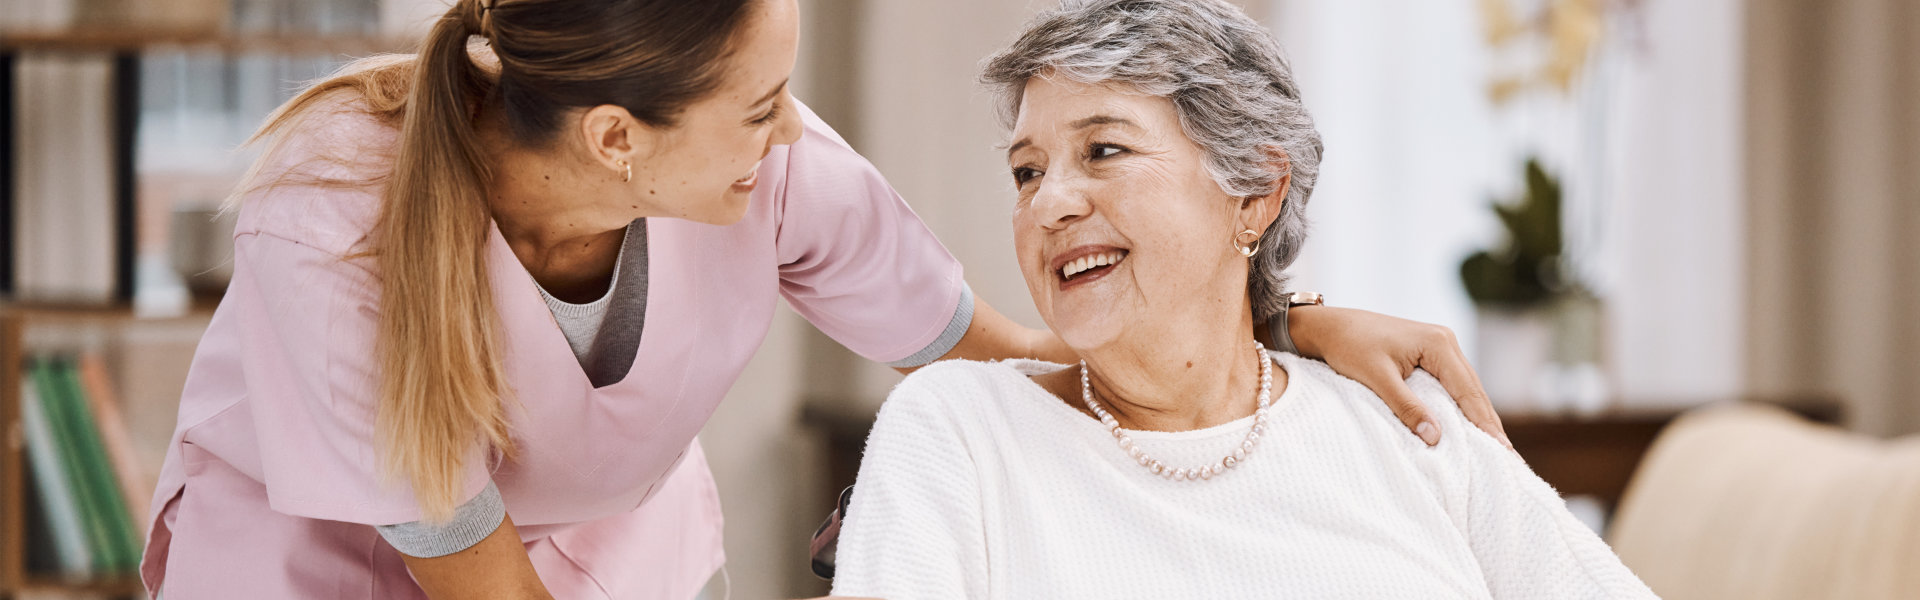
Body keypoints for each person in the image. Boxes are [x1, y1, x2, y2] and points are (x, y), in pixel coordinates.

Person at [141, 0, 1512, 597]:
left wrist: (1283, 325)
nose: (792, 131)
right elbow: (476, 581)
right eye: (756, 106)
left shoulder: (771, 172)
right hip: (307, 566)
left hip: (590, 554)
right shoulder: (331, 217)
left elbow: (1016, 357)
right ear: (620, 139)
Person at [829, 0, 1657, 597]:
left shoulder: (1405, 422)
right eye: (1027, 171)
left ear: (1256, 192)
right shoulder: (955, 428)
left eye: (1104, 149)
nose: (1048, 204)